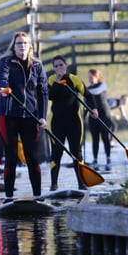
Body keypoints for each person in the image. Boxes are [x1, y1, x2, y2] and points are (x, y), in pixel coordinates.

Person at [0, 31, 49, 200]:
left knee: (32, 158)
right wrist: (4, 89)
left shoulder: (38, 66)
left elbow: (43, 92)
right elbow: (1, 80)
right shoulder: (5, 62)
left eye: (25, 43)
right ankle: (9, 197)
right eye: (19, 43)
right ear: (14, 46)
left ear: (30, 47)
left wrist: (42, 116)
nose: (22, 46)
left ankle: (38, 196)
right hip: (8, 114)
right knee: (11, 157)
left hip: (30, 116)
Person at [47, 56, 95, 190]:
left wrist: (94, 109)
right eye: (55, 66)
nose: (58, 68)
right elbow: (50, 96)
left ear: (66, 65)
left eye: (61, 65)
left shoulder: (74, 79)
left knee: (77, 152)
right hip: (56, 122)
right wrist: (57, 81)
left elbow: (89, 95)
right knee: (56, 153)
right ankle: (54, 185)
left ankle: (81, 184)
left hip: (74, 121)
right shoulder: (51, 80)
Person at [86, 68, 114, 168]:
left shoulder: (102, 85)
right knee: (95, 139)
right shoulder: (88, 89)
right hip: (93, 117)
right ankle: (95, 160)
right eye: (89, 77)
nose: (90, 79)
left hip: (104, 115)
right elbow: (86, 103)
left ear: (97, 77)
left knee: (105, 138)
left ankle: (108, 159)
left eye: (92, 77)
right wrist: (84, 116)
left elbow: (96, 92)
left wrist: (86, 91)